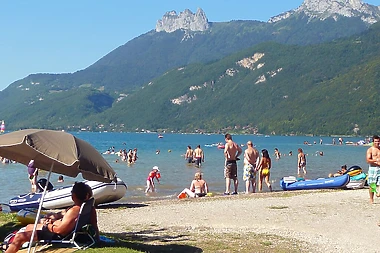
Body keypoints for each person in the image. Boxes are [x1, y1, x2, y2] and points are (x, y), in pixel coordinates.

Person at [4, 182, 99, 253]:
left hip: (56, 235)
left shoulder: (73, 211)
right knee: (29, 227)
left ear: (74, 195)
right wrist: (97, 238)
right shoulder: (89, 207)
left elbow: (60, 231)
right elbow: (94, 223)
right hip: (68, 232)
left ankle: (13, 246)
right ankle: (15, 245)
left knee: (20, 236)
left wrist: (48, 224)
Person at [366, 135, 380, 204]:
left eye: (378, 141)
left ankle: (378, 192)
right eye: (375, 141)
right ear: (373, 142)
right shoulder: (370, 150)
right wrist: (376, 160)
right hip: (373, 168)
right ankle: (371, 199)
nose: (377, 143)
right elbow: (368, 160)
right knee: (372, 184)